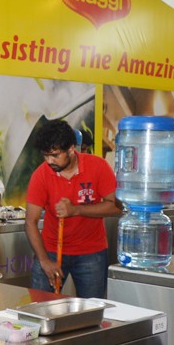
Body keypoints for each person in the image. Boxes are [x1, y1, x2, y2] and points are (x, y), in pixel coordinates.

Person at [24, 120, 121, 299]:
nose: (49, 161)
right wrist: (45, 261)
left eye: (54, 155)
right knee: (40, 308)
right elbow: (30, 222)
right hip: (51, 250)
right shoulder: (41, 175)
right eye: (45, 155)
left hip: (91, 253)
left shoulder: (97, 166)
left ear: (70, 149)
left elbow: (116, 207)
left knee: (91, 312)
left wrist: (76, 210)